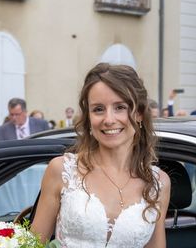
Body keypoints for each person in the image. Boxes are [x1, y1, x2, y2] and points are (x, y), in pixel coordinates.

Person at [31, 63, 170, 247]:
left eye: (120, 107)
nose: (109, 120)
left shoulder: (158, 183)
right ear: (88, 116)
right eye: (98, 109)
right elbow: (33, 244)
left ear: (139, 114)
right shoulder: (62, 170)